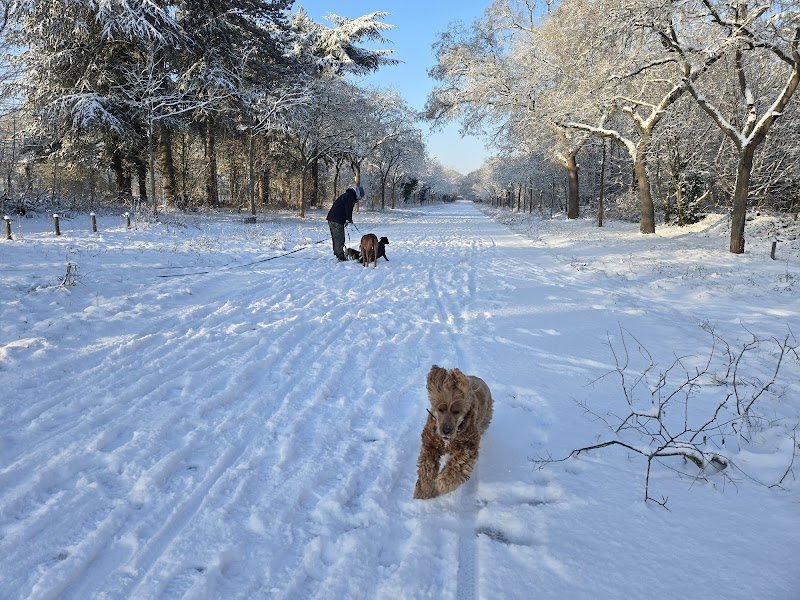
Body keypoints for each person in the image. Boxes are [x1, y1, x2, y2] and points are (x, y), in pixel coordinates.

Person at [326, 185, 364, 261]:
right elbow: (348, 210)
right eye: (360, 197)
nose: (359, 199)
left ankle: (338, 253)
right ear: (358, 194)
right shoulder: (350, 197)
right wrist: (349, 219)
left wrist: (347, 219)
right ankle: (340, 256)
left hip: (332, 218)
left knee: (336, 238)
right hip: (337, 219)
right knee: (339, 238)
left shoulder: (347, 195)